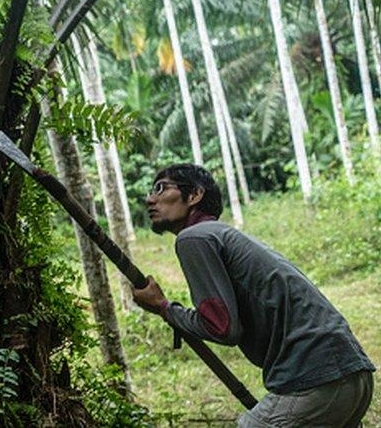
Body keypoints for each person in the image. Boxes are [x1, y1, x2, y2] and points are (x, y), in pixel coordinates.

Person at [133, 164, 374, 427]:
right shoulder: (224, 234)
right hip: (354, 373)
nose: (150, 199)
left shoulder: (194, 238)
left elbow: (223, 327)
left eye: (161, 188)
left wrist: (165, 308)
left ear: (194, 196)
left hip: (317, 380)